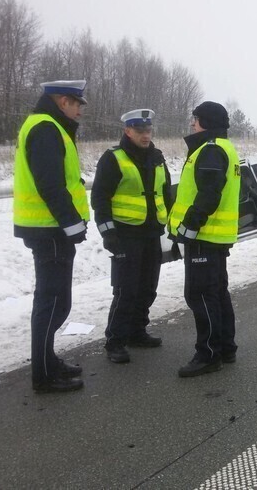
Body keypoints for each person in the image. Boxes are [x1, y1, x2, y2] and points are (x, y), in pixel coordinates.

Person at [13, 80, 89, 393]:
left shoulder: (48, 126)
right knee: (52, 302)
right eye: (76, 104)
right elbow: (50, 185)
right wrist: (72, 224)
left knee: (56, 301)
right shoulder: (46, 128)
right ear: (61, 101)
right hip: (50, 229)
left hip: (50, 228)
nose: (80, 110)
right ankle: (43, 374)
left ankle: (48, 361)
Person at [91, 109, 173, 364]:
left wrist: (169, 221)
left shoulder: (157, 158)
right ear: (128, 131)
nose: (146, 136)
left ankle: (137, 331)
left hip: (151, 233)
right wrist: (108, 233)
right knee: (126, 290)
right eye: (140, 131)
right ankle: (115, 341)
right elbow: (99, 199)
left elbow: (166, 192)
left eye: (148, 131)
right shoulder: (113, 158)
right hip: (125, 234)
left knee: (148, 287)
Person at [168, 101, 241, 378]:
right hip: (214, 236)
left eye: (195, 120)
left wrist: (189, 227)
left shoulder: (210, 150)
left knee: (200, 294)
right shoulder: (224, 148)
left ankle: (208, 353)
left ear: (206, 123)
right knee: (217, 292)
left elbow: (209, 194)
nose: (192, 124)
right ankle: (225, 347)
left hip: (204, 236)